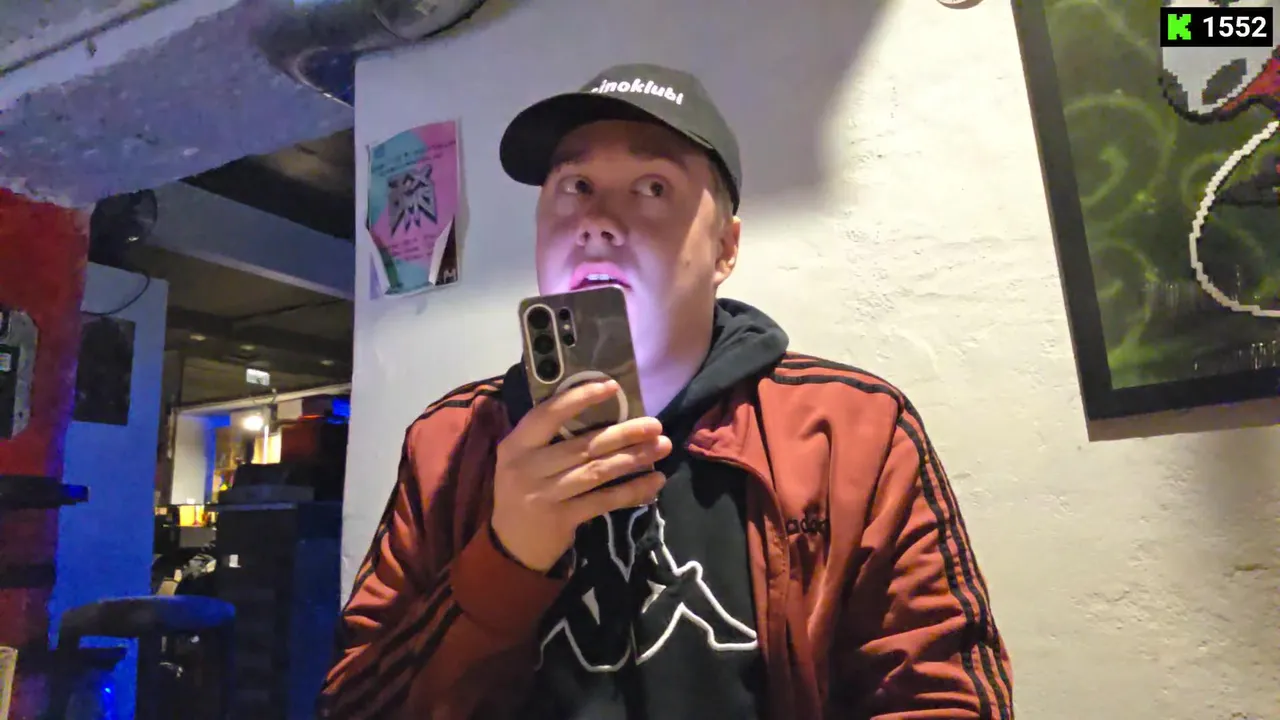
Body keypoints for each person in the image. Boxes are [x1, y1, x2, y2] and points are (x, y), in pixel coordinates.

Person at [318, 63, 1014, 719]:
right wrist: (506, 558)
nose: (596, 220)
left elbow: (941, 695)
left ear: (725, 249)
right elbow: (355, 704)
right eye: (574, 186)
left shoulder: (852, 432)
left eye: (652, 188)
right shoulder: (449, 442)